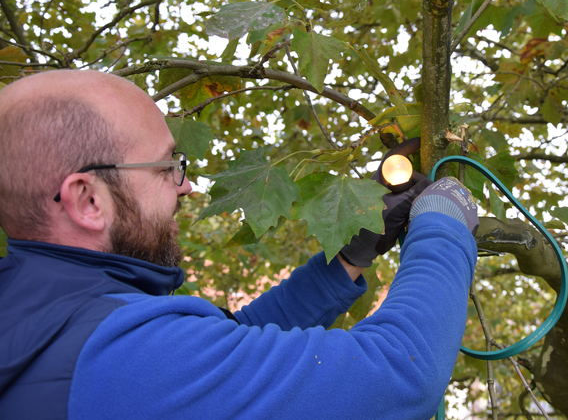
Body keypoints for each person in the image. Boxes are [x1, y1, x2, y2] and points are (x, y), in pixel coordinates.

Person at [0, 70, 479, 420]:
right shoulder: (119, 356)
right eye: (167, 166)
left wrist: (352, 255)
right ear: (87, 199)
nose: (185, 186)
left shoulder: (41, 316)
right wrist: (443, 223)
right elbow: (399, 373)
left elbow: (232, 345)